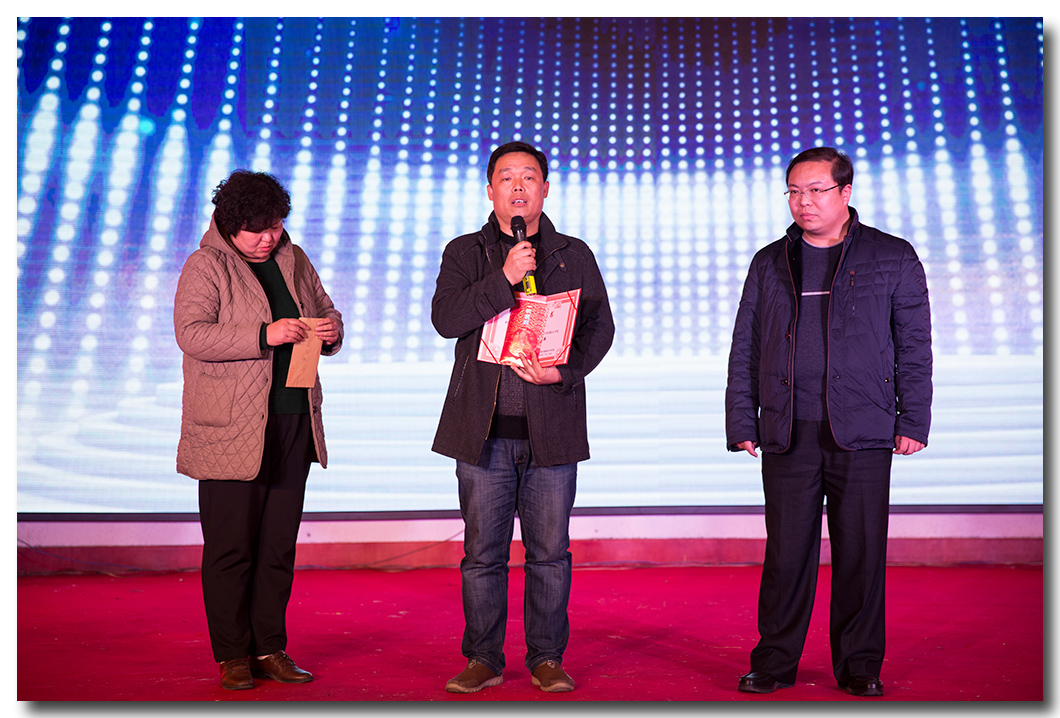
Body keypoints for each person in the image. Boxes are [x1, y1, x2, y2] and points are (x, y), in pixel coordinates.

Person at [725, 147, 932, 697]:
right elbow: (746, 345)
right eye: (794, 191)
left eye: (816, 190)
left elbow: (914, 346)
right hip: (788, 429)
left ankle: (860, 665)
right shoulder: (770, 261)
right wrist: (742, 417)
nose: (804, 202)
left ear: (845, 192)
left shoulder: (892, 256)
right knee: (786, 553)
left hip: (862, 429)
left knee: (860, 552)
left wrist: (913, 418)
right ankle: (774, 662)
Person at [431, 141, 615, 694]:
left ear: (545, 189)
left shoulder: (572, 254)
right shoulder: (465, 252)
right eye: (506, 177)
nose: (517, 186)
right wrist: (504, 278)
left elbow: (599, 328)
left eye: (529, 177)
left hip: (550, 429)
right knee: (482, 555)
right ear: (490, 190)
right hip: (482, 432)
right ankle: (483, 657)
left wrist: (563, 373)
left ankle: (547, 658)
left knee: (550, 555)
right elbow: (446, 319)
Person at [174, 170, 343, 691]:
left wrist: (331, 330)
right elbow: (192, 334)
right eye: (256, 230)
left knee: (278, 546)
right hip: (231, 427)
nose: (268, 237)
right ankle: (232, 655)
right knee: (231, 548)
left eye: (275, 225)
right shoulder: (206, 265)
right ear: (229, 226)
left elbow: (324, 309)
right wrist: (264, 334)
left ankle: (269, 647)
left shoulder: (295, 258)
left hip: (294, 418)